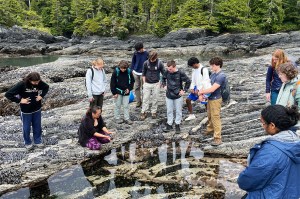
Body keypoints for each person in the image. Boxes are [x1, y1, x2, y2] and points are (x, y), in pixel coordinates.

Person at [238, 105, 300, 198]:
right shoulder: (295, 142)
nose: (263, 126)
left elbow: (246, 181)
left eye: (263, 123)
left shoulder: (270, 153)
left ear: (272, 125)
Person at [5, 72, 49, 149]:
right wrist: (20, 100)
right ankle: (28, 143)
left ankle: (37, 141)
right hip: (26, 111)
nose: (37, 83)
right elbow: (8, 94)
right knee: (26, 128)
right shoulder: (22, 85)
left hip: (37, 109)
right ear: (29, 80)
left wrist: (41, 96)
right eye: (35, 82)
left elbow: (46, 87)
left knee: (37, 126)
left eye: (38, 82)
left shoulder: (39, 82)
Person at [198, 57, 226, 146]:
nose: (211, 67)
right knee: (210, 116)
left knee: (215, 117)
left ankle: (217, 138)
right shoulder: (213, 74)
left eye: (212, 65)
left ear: (217, 65)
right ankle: (210, 130)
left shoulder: (221, 76)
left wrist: (201, 92)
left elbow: (213, 88)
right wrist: (201, 95)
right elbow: (206, 84)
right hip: (210, 98)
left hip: (216, 99)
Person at [162, 60, 191, 133]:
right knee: (169, 110)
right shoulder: (166, 72)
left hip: (178, 95)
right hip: (168, 94)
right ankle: (169, 125)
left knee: (178, 111)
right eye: (168, 69)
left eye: (170, 69)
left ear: (174, 67)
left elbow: (188, 81)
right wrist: (164, 85)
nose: (169, 70)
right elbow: (163, 78)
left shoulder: (180, 73)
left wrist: (184, 90)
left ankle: (177, 125)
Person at [140, 51, 165, 120]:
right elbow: (143, 73)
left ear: (156, 57)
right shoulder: (146, 63)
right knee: (145, 98)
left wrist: (162, 82)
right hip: (147, 83)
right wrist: (144, 82)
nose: (151, 60)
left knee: (155, 98)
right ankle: (144, 111)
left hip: (156, 83)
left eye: (153, 59)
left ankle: (154, 111)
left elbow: (164, 73)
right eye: (150, 58)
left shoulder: (160, 63)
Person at [110, 60, 135, 124]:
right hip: (118, 91)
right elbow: (112, 83)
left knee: (126, 105)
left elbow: (132, 81)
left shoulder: (129, 71)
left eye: (124, 69)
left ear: (126, 68)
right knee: (117, 105)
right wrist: (114, 93)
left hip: (126, 92)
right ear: (119, 67)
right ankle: (117, 118)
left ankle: (127, 118)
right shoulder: (116, 72)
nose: (123, 70)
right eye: (121, 68)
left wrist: (129, 89)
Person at [131, 42, 149, 108]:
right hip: (135, 72)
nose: (138, 51)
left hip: (144, 74)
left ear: (142, 48)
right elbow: (133, 62)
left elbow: (149, 63)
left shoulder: (147, 53)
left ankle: (144, 102)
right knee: (136, 88)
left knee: (144, 88)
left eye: (139, 50)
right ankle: (138, 102)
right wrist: (132, 70)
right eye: (137, 50)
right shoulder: (135, 53)